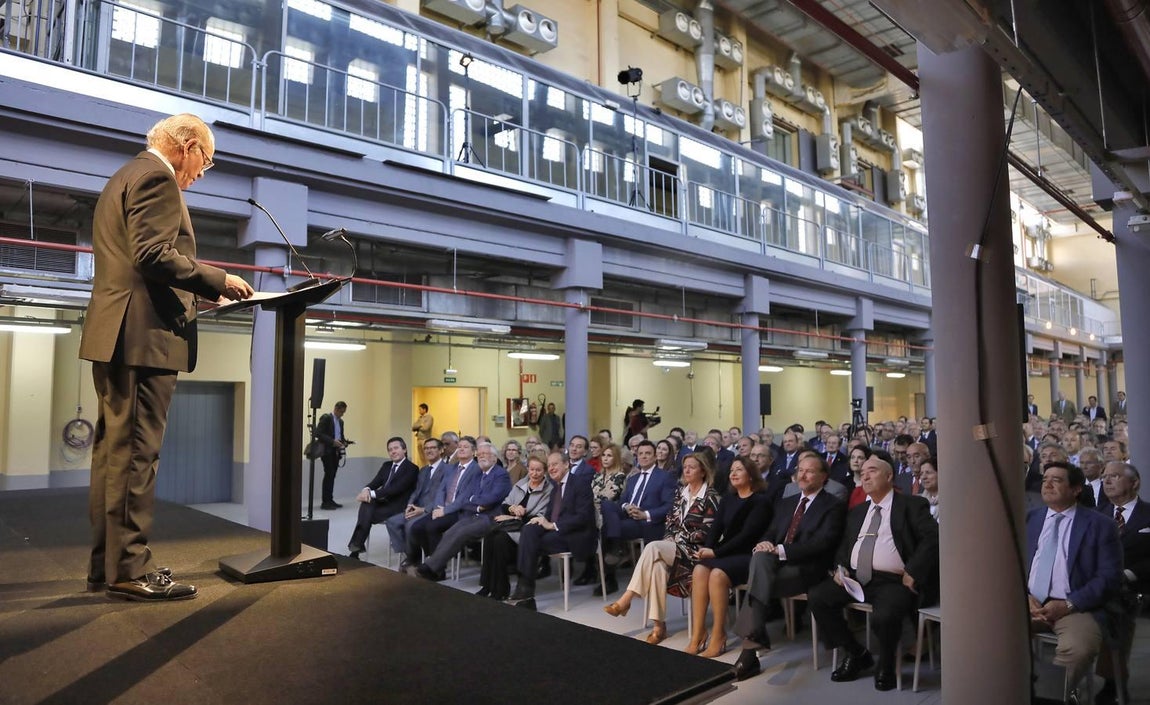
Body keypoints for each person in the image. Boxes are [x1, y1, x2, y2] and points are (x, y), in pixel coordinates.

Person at [79, 113, 254, 601]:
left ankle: (106, 567)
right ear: (187, 145)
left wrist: (194, 294)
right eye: (206, 160)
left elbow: (137, 263)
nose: (202, 172)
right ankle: (130, 570)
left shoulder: (124, 175)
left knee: (114, 456)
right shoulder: (157, 177)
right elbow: (152, 254)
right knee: (137, 455)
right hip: (143, 338)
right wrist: (218, 279)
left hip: (117, 334)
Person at [807, 455, 939, 691]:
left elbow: (932, 538)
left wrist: (913, 570)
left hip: (893, 580)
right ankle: (856, 653)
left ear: (889, 476)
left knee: (884, 616)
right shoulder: (858, 512)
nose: (865, 476)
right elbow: (844, 547)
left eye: (873, 471)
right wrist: (840, 568)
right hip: (855, 578)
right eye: (863, 472)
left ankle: (886, 664)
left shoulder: (911, 505)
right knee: (818, 597)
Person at [731, 454, 847, 681]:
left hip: (808, 568)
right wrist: (765, 543)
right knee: (760, 558)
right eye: (800, 470)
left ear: (823, 477)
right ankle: (751, 645)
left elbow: (823, 543)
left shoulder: (833, 505)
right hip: (775, 565)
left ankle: (750, 651)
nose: (803, 475)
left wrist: (781, 550)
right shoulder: (787, 502)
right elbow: (771, 532)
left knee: (757, 582)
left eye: (809, 471)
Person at [1026, 461, 1122, 702]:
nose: (1047, 484)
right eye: (1045, 479)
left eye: (1056, 480)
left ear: (1076, 489)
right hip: (1030, 603)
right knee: (991, 633)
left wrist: (1069, 604)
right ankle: (1021, 688)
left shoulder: (1101, 525)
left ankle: (1048, 699)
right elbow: (1011, 565)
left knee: (1078, 649)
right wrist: (1024, 597)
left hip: (1076, 607)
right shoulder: (1030, 519)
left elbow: (1109, 577)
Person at [602, 452, 720, 645]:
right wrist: (671, 538)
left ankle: (627, 599)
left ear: (703, 471)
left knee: (653, 547)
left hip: (695, 553)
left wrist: (677, 539)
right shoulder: (680, 493)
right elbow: (670, 523)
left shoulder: (711, 497)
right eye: (685, 467)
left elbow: (707, 532)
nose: (687, 470)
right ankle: (659, 627)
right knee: (657, 566)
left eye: (692, 467)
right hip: (675, 548)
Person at [687, 456, 772, 658]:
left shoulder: (761, 501)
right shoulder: (728, 499)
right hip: (726, 553)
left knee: (717, 574)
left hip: (748, 555)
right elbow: (715, 528)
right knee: (699, 569)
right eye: (732, 470)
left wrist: (716, 552)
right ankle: (699, 632)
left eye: (739, 470)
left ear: (750, 475)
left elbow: (747, 536)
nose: (733, 474)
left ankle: (719, 634)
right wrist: (707, 549)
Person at [508, 452, 597, 609]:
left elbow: (583, 517)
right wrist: (540, 520)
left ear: (566, 464)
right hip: (557, 531)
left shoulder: (580, 483)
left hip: (575, 534)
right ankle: (525, 588)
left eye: (555, 464)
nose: (551, 468)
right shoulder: (556, 487)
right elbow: (550, 515)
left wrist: (553, 525)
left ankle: (526, 589)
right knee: (529, 530)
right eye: (549, 465)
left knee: (531, 543)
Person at [413, 442, 510, 581]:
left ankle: (430, 567)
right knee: (451, 531)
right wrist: (477, 505)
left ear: (494, 457)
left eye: (485, 454)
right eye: (479, 454)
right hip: (472, 514)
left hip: (490, 518)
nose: (481, 457)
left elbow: (491, 499)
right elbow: (466, 499)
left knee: (461, 532)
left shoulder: (501, 475)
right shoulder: (478, 474)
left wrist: (474, 501)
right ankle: (434, 568)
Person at [1095, 461, 1150, 704]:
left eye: (1114, 476)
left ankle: (1113, 683)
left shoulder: (1148, 513)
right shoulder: (1096, 515)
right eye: (1104, 477)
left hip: (1139, 584)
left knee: (1118, 608)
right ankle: (1113, 681)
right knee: (1113, 608)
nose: (1107, 481)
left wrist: (1129, 574)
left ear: (1134, 483)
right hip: (1102, 585)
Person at [600, 440, 678, 595]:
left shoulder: (665, 477)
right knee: (607, 504)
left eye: (648, 453)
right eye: (640, 454)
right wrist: (627, 507)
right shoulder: (633, 478)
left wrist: (645, 514)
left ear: (655, 457)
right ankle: (615, 545)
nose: (643, 456)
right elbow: (622, 501)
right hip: (629, 516)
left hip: (646, 522)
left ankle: (610, 576)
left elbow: (669, 506)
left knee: (606, 528)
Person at [477, 455, 553, 600]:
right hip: (511, 526)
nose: (534, 473)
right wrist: (512, 508)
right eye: (531, 469)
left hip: (526, 531)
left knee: (499, 540)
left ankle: (500, 589)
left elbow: (538, 517)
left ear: (545, 471)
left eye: (538, 470)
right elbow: (505, 505)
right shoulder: (522, 483)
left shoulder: (548, 490)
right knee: (489, 535)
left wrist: (512, 517)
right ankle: (487, 585)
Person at [347, 437, 419, 559]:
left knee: (366, 514)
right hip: (383, 503)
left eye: (396, 448)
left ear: (404, 449)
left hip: (398, 506)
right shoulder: (386, 465)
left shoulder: (412, 468)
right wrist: (365, 490)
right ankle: (356, 547)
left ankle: (356, 549)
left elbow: (395, 489)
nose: (393, 452)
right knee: (366, 506)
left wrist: (370, 494)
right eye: (390, 450)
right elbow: (375, 482)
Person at [573, 442, 626, 587]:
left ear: (616, 458)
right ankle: (590, 569)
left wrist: (592, 499)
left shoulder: (619, 476)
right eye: (603, 455)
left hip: (609, 514)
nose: (605, 458)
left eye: (609, 455)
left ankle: (608, 575)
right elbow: (590, 495)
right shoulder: (597, 476)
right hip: (593, 512)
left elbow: (609, 497)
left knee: (598, 525)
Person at [386, 438, 447, 562]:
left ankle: (412, 558)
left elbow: (444, 496)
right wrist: (410, 504)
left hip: (432, 509)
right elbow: (416, 491)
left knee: (410, 526)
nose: (429, 450)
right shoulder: (423, 470)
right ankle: (409, 554)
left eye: (433, 448)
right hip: (416, 507)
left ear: (441, 450)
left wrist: (424, 509)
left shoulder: (448, 470)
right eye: (426, 448)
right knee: (392, 522)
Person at [314, 401, 351, 509]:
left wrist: (344, 442)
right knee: (329, 474)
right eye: (341, 412)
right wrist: (332, 441)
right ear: (336, 409)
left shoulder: (341, 422)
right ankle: (325, 502)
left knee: (332, 476)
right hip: (327, 451)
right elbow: (318, 433)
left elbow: (340, 436)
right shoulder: (326, 418)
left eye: (344, 412)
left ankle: (330, 500)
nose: (342, 414)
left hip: (336, 452)